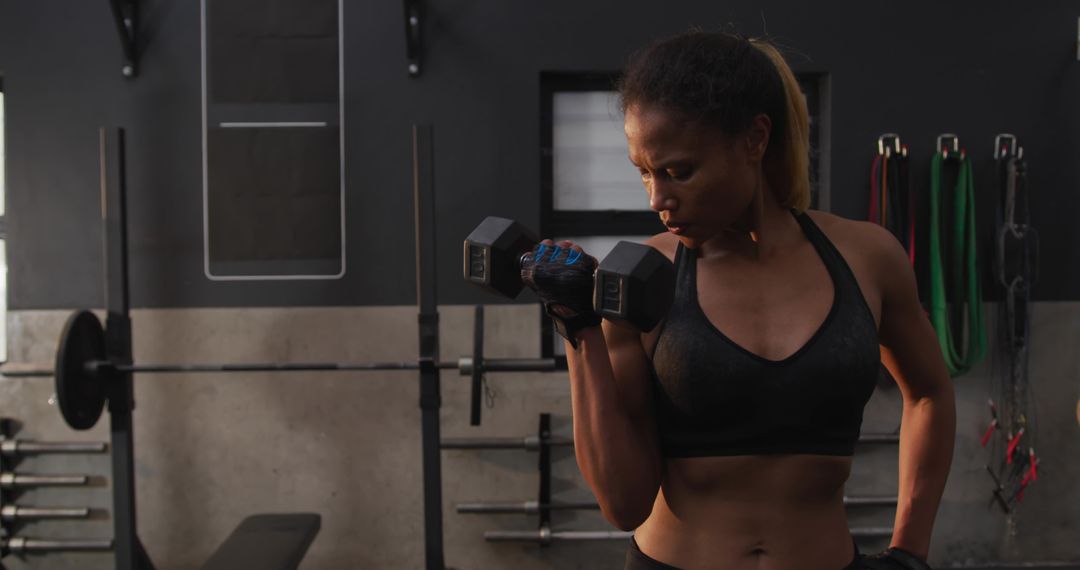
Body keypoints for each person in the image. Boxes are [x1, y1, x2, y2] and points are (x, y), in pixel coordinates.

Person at [521, 30, 955, 570]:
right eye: (645, 173)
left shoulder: (868, 257)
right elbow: (624, 502)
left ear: (754, 139)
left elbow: (930, 394)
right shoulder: (641, 279)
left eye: (678, 171)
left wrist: (910, 551)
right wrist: (577, 327)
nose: (658, 199)